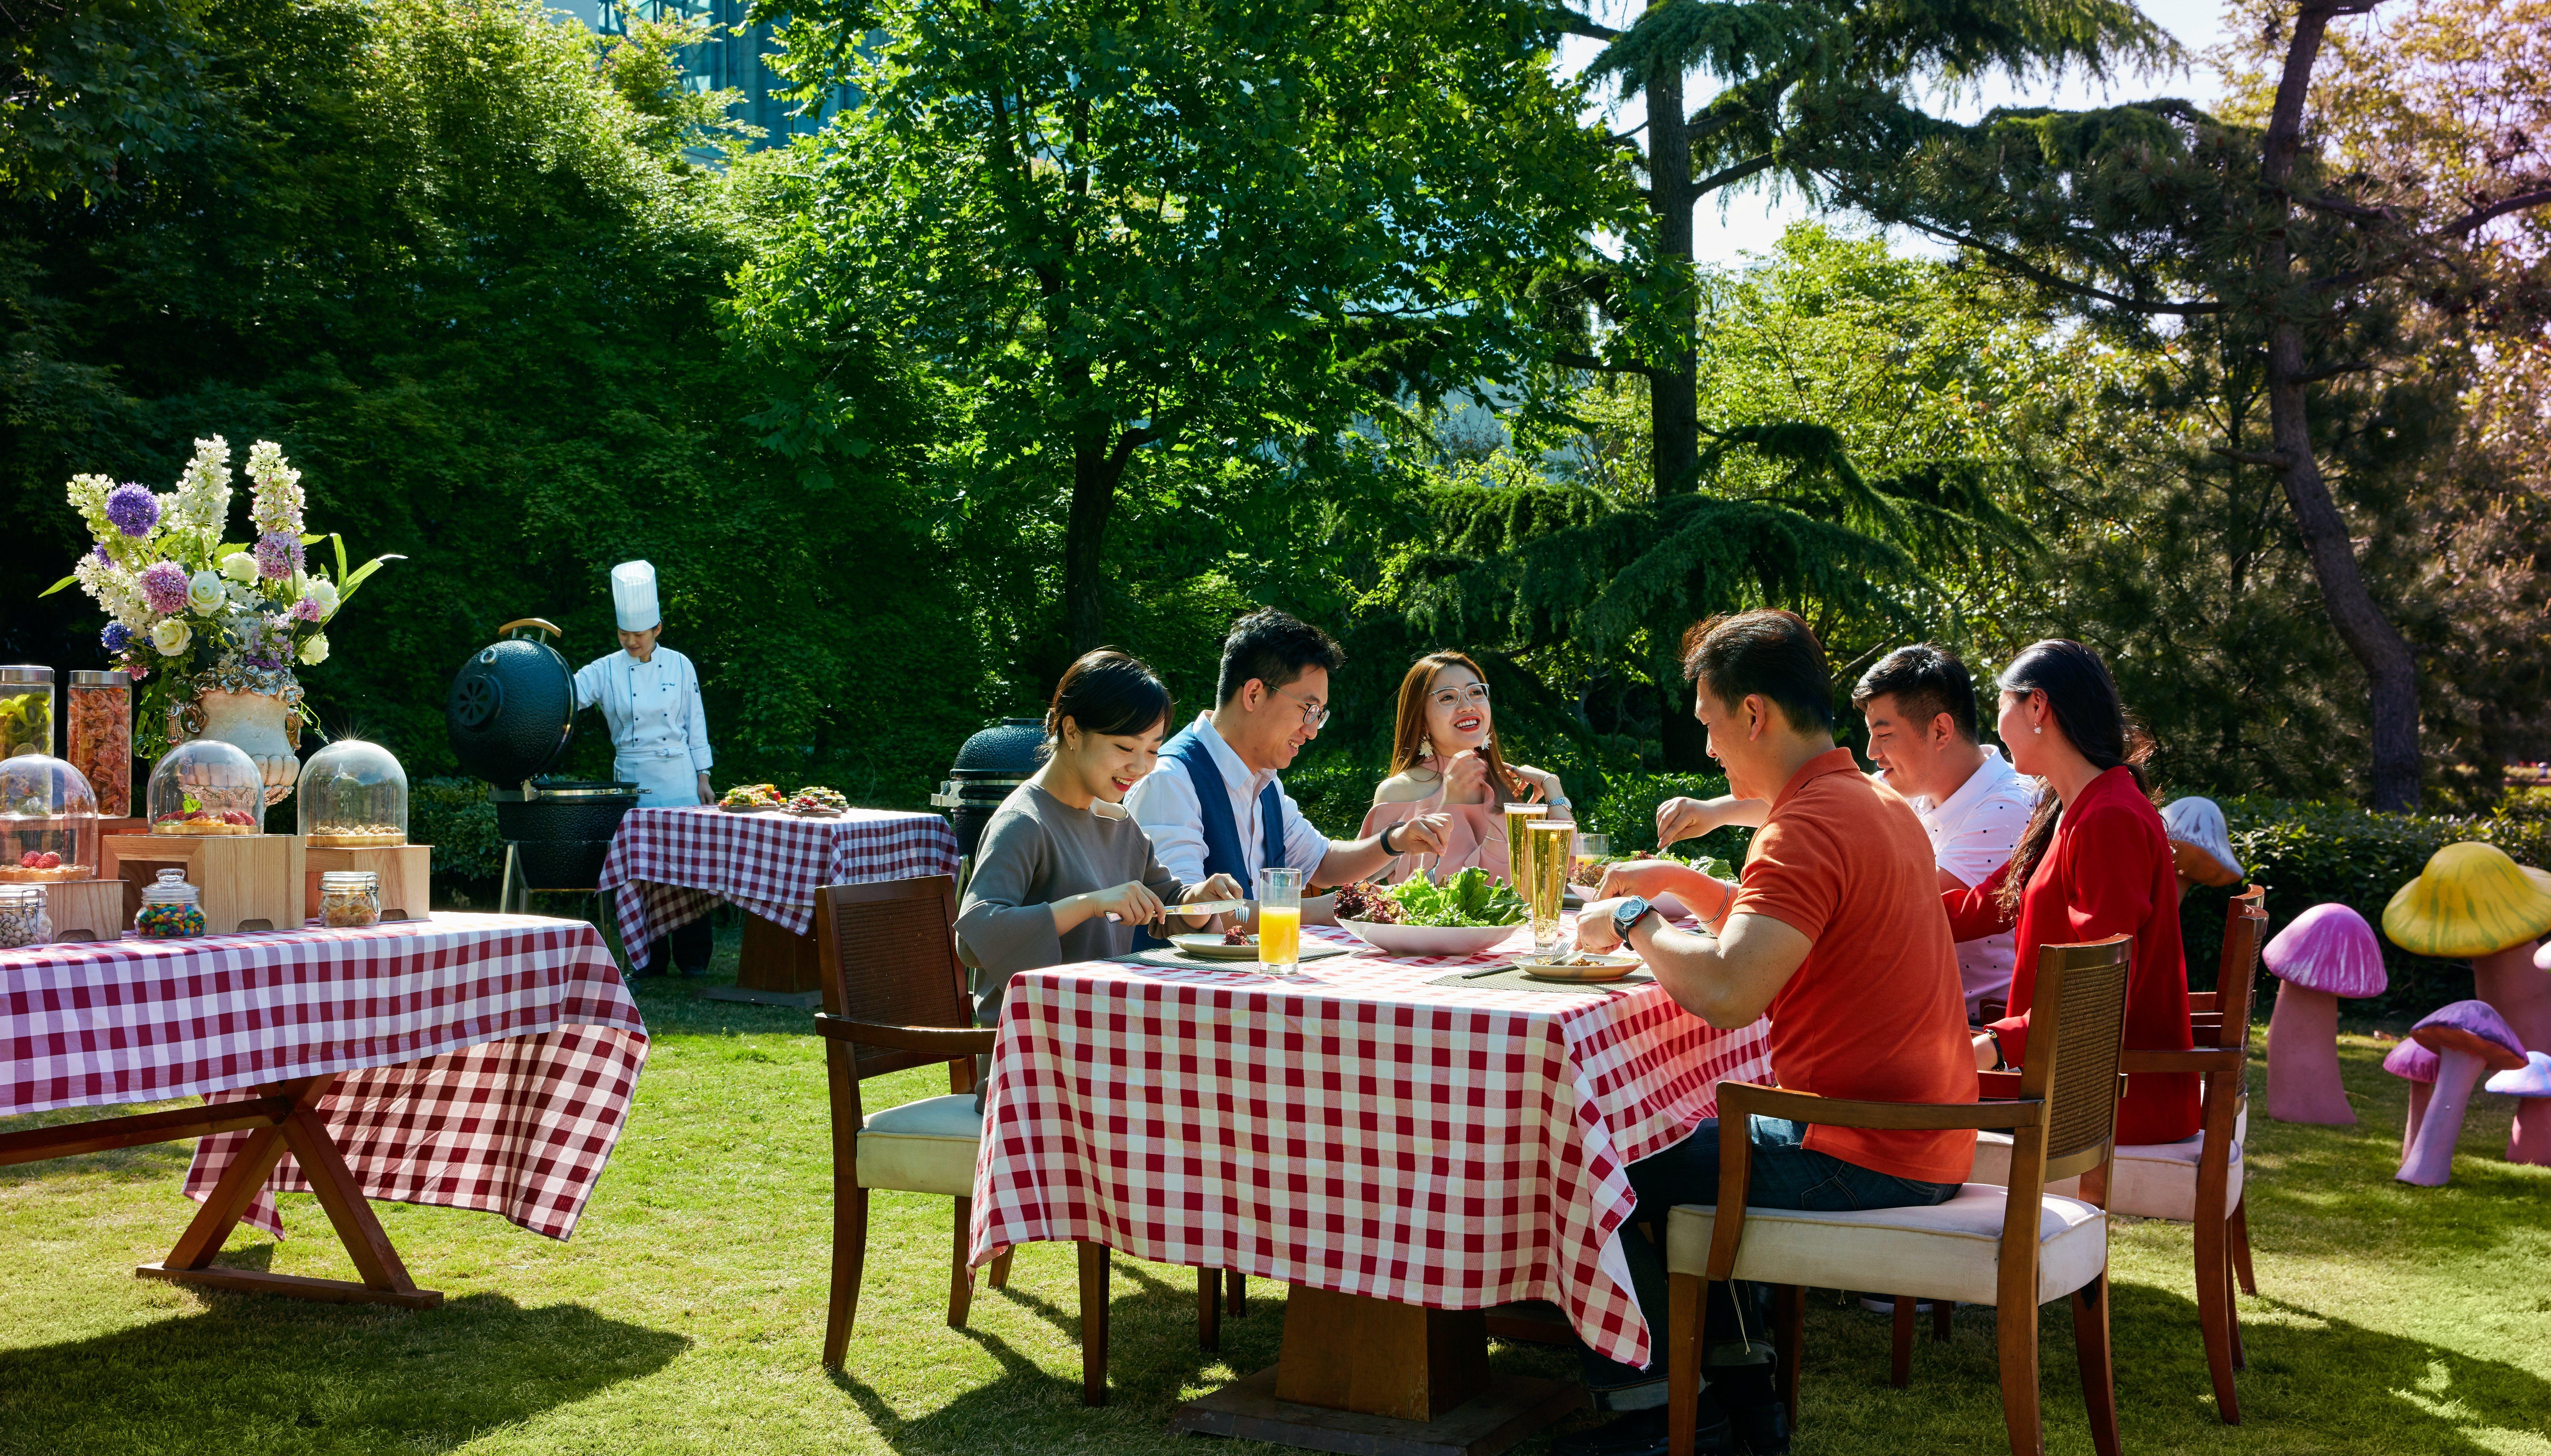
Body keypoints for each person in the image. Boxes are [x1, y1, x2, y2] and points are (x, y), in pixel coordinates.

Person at [1568, 612, 1975, 1456]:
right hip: (1911, 1133)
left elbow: (1725, 989)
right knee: (1673, 1142)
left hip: (1865, 1149)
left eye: (1710, 724)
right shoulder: (1870, 801)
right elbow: (1785, 931)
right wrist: (1681, 882)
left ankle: (1656, 1414)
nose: (1710, 751)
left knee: (1593, 1166)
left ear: (1752, 713)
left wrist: (1634, 916)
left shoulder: (1805, 825)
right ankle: (1740, 1394)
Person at [1648, 643, 2036, 1022]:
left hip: (1972, 1033)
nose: (1870, 751)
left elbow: (1894, 912)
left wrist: (1638, 915)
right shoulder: (1914, 789)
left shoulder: (2005, 807)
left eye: (1884, 735)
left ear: (1940, 731)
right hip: (1914, 1019)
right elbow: (1825, 798)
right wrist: (1713, 812)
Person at [1945, 640, 2200, 1147]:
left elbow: (2096, 994)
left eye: (2001, 706)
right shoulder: (2071, 806)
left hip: (2105, 1100)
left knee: (1895, 1121)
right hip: (2058, 1078)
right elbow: (1987, 905)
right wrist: (1876, 913)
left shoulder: (2108, 819)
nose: (1996, 726)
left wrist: (1989, 1047)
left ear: (2037, 706)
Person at [956, 650, 1241, 1069]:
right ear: (1071, 731)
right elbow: (975, 935)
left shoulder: (1117, 822)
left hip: (1103, 1044)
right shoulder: (1023, 821)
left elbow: (1170, 906)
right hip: (1034, 1065)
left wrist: (1202, 896)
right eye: (1125, 747)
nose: (1141, 766)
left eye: (1152, 749)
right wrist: (1090, 903)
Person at [1125, 609, 1448, 924]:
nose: (1311, 731)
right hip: (1179, 978)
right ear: (1254, 694)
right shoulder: (1169, 780)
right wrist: (1333, 909)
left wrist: (1395, 840)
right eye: (1308, 709)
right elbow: (1184, 911)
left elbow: (1321, 863)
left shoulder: (1265, 782)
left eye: (1319, 715)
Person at [573, 559, 714, 977]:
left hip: (680, 777)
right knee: (643, 873)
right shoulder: (604, 669)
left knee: (689, 870)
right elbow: (566, 695)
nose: (630, 641)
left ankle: (694, 959)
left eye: (638, 633)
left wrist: (704, 776)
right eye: (624, 634)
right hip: (632, 782)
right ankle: (648, 959)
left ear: (658, 629)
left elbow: (696, 720)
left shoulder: (680, 664)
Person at [1359, 650, 1567, 883]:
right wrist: (1450, 803)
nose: (1467, 706)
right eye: (1448, 698)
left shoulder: (1505, 788)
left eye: (1476, 692)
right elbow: (1418, 895)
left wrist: (1553, 790)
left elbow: (1560, 878)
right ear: (1422, 720)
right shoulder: (1399, 792)